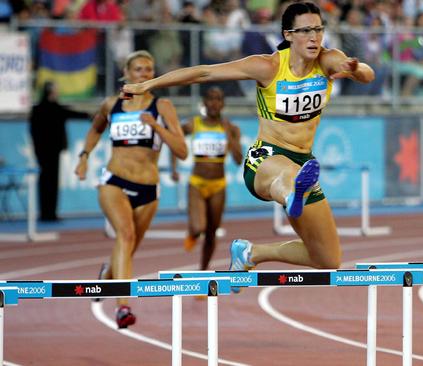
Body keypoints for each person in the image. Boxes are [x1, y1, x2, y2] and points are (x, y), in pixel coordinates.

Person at [123, 2, 375, 284]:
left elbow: (366, 74)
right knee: (289, 177)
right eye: (305, 30)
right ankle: (292, 194)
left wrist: (353, 67)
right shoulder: (267, 66)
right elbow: (204, 72)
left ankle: (251, 253)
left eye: (318, 29)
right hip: (266, 159)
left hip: (303, 163)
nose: (314, 37)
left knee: (328, 259)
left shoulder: (328, 59)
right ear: (288, 34)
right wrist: (148, 85)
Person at [75, 50, 187, 328]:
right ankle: (123, 307)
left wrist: (156, 128)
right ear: (126, 73)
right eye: (138, 69)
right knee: (125, 234)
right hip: (114, 180)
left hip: (148, 187)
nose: (144, 74)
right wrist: (84, 157)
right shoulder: (110, 104)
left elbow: (182, 151)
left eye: (149, 70)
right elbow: (95, 129)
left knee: (130, 244)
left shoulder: (162, 107)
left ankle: (109, 273)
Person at [174, 87, 243, 274]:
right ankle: (192, 233)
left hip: (218, 185)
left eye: (218, 99)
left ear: (223, 103)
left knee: (211, 234)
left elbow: (238, 160)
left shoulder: (232, 128)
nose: (214, 103)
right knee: (199, 228)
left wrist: (229, 136)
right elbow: (175, 139)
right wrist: (174, 167)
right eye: (211, 98)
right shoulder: (194, 124)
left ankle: (203, 272)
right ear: (204, 102)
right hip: (197, 183)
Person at [29, 81, 91, 221]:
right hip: (49, 151)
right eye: (56, 90)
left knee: (46, 181)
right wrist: (92, 115)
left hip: (45, 151)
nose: (57, 93)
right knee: (50, 182)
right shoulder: (53, 109)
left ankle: (47, 213)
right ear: (51, 92)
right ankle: (49, 213)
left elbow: (71, 112)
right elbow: (73, 113)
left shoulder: (39, 109)